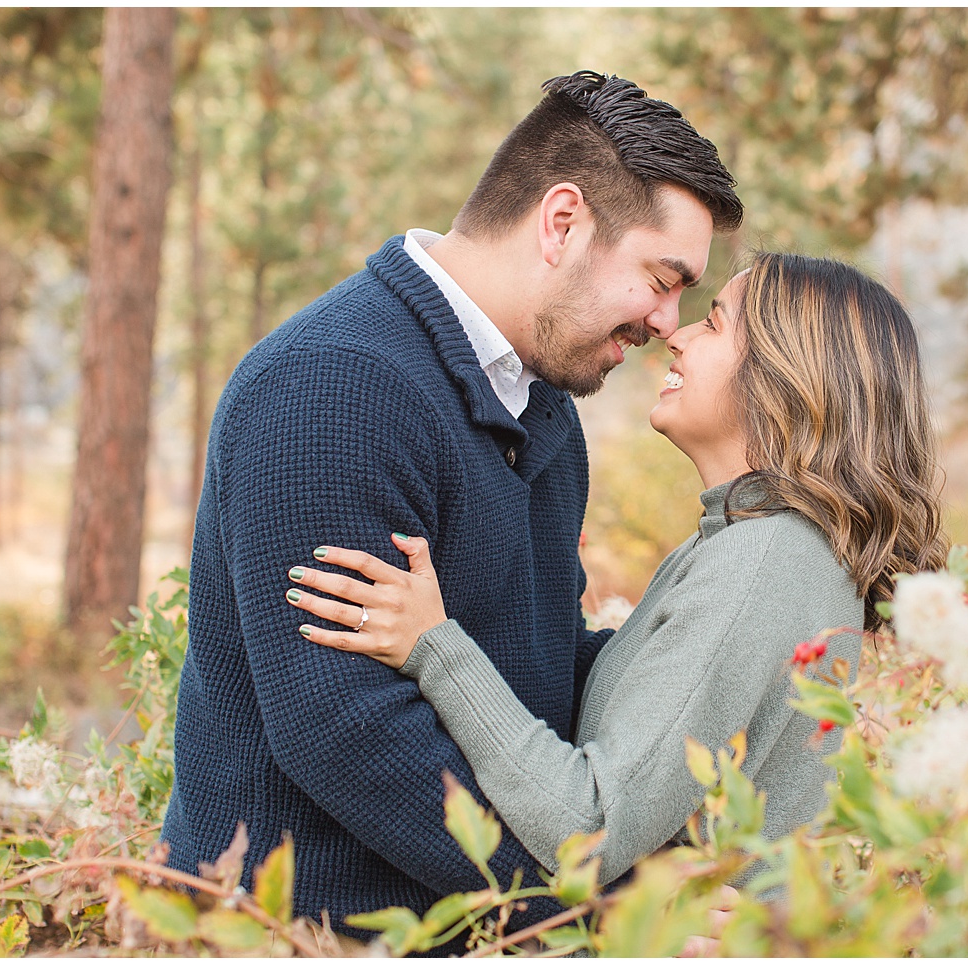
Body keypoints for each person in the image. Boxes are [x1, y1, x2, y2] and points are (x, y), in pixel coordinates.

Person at [160, 70, 743, 942]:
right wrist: (596, 907)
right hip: (300, 931)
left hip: (464, 926)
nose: (668, 320)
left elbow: (534, 668)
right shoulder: (333, 387)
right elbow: (345, 732)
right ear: (562, 222)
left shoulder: (539, 409)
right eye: (662, 278)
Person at [287, 252, 949, 888]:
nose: (677, 336)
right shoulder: (744, 542)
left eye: (714, 321)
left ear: (790, 377)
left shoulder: (765, 559)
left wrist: (435, 646)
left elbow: (591, 825)